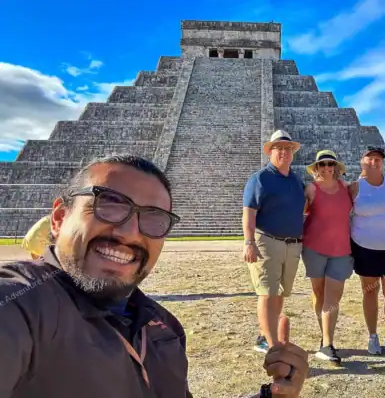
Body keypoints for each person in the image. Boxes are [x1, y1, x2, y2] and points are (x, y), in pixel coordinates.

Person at [0, 154, 308, 398]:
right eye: (109, 204)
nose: (129, 233)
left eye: (153, 218)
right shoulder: (24, 304)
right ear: (58, 218)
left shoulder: (162, 327)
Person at [242, 130, 306, 354]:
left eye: (288, 149)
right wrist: (249, 242)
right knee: (267, 292)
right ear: (270, 152)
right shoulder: (260, 179)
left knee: (279, 293)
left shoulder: (297, 180)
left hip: (292, 244)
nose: (284, 153)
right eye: (278, 148)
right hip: (267, 241)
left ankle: (266, 334)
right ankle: (271, 345)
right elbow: (249, 212)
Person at [348, 146, 385, 359]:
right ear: (362, 161)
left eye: (378, 159)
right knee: (369, 291)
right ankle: (372, 335)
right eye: (370, 158)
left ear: (383, 163)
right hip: (365, 248)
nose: (374, 162)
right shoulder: (354, 187)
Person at [302, 150, 353, 364]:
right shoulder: (311, 189)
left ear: (336, 167)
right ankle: (325, 337)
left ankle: (327, 343)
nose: (326, 168)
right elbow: (298, 213)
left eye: (330, 164)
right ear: (316, 168)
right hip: (314, 248)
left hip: (341, 250)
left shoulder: (348, 189)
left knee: (333, 298)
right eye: (321, 165)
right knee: (319, 294)